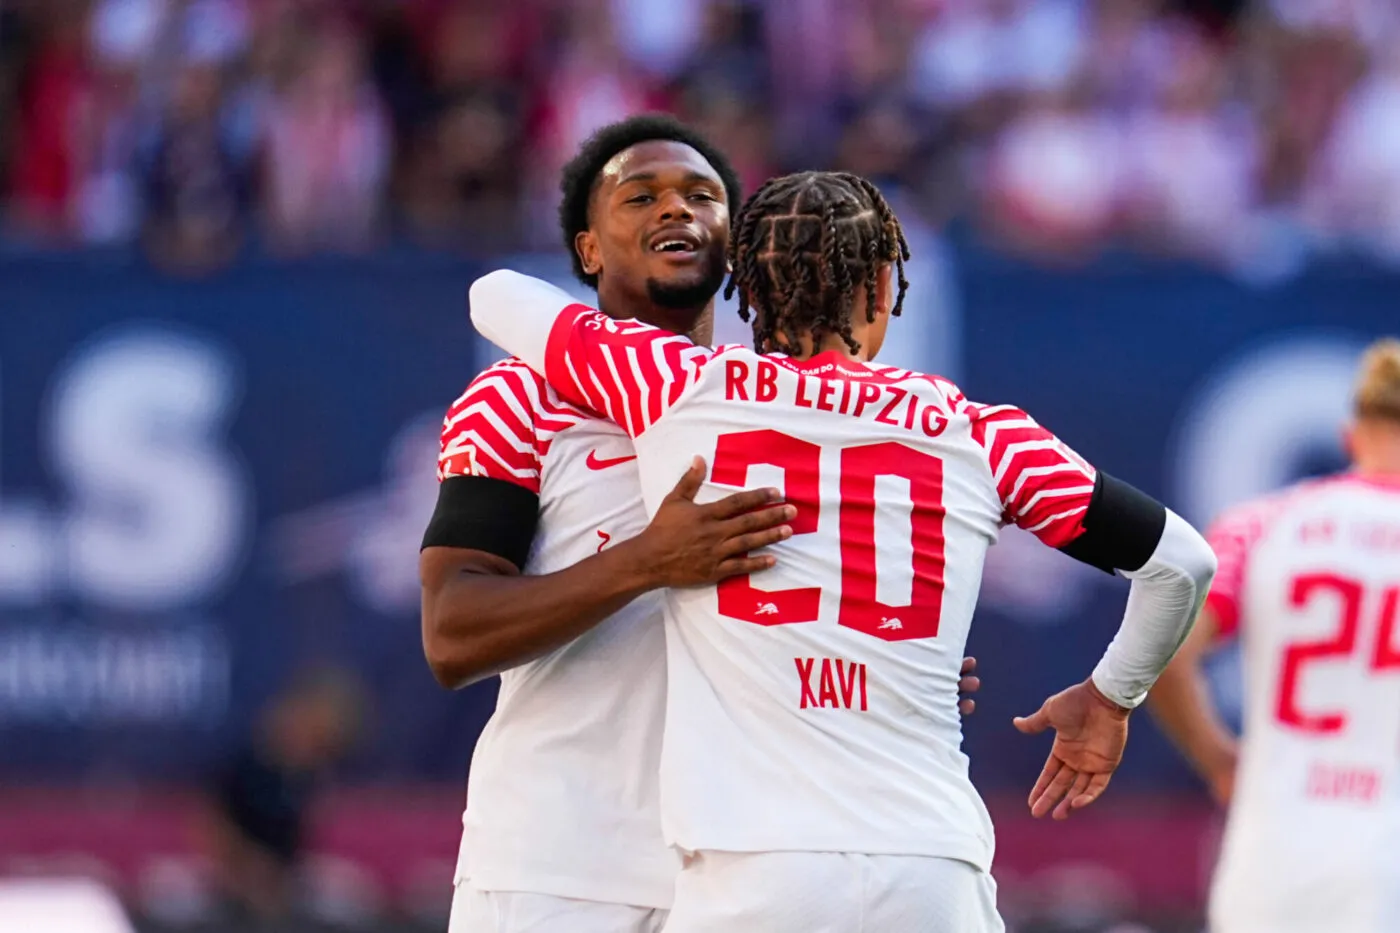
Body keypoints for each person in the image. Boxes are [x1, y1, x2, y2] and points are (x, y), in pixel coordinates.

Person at [469, 169, 1218, 931]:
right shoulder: (977, 434)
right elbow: (1182, 562)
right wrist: (1111, 696)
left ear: (747, 293)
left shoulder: (678, 385)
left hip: (753, 870)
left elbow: (494, 294)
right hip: (932, 863)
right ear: (886, 282)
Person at [420, 115, 987, 933]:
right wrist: (644, 563)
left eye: (702, 195)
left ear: (737, 244)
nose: (674, 211)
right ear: (587, 250)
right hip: (558, 866)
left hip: (744, 876)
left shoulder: (799, 408)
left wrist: (902, 671)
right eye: (639, 196)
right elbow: (451, 631)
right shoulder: (520, 396)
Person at [1149, 338, 1400, 933]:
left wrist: (1218, 758)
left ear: (1350, 436)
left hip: (1274, 862)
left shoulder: (1263, 524)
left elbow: (1161, 652)